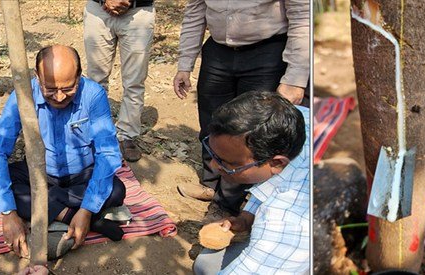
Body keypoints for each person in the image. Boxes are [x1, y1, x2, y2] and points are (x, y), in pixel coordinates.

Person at [0, 45, 127, 260]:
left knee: (116, 189)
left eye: (68, 89)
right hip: (39, 175)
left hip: (81, 175)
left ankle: (58, 209)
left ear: (79, 76)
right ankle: (72, 216)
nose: (59, 97)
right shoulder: (22, 96)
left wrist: (86, 210)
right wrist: (8, 214)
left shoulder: (94, 95)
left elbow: (107, 154)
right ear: (37, 78)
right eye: (49, 89)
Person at [172, 0, 310, 219]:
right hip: (218, 51)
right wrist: (184, 65)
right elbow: (195, 11)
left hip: (267, 52)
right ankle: (210, 183)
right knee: (212, 124)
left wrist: (295, 77)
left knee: (247, 136)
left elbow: (303, 16)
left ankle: (226, 204)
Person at [192, 91, 310, 274]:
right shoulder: (298, 117)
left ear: (276, 162)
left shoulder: (285, 223)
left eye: (228, 164)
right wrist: (247, 218)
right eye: (214, 155)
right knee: (206, 264)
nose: (214, 167)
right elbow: (273, 181)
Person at [83, 0, 155, 162]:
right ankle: (96, 131)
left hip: (139, 12)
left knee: (134, 81)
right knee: (95, 80)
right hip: (98, 11)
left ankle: (127, 135)